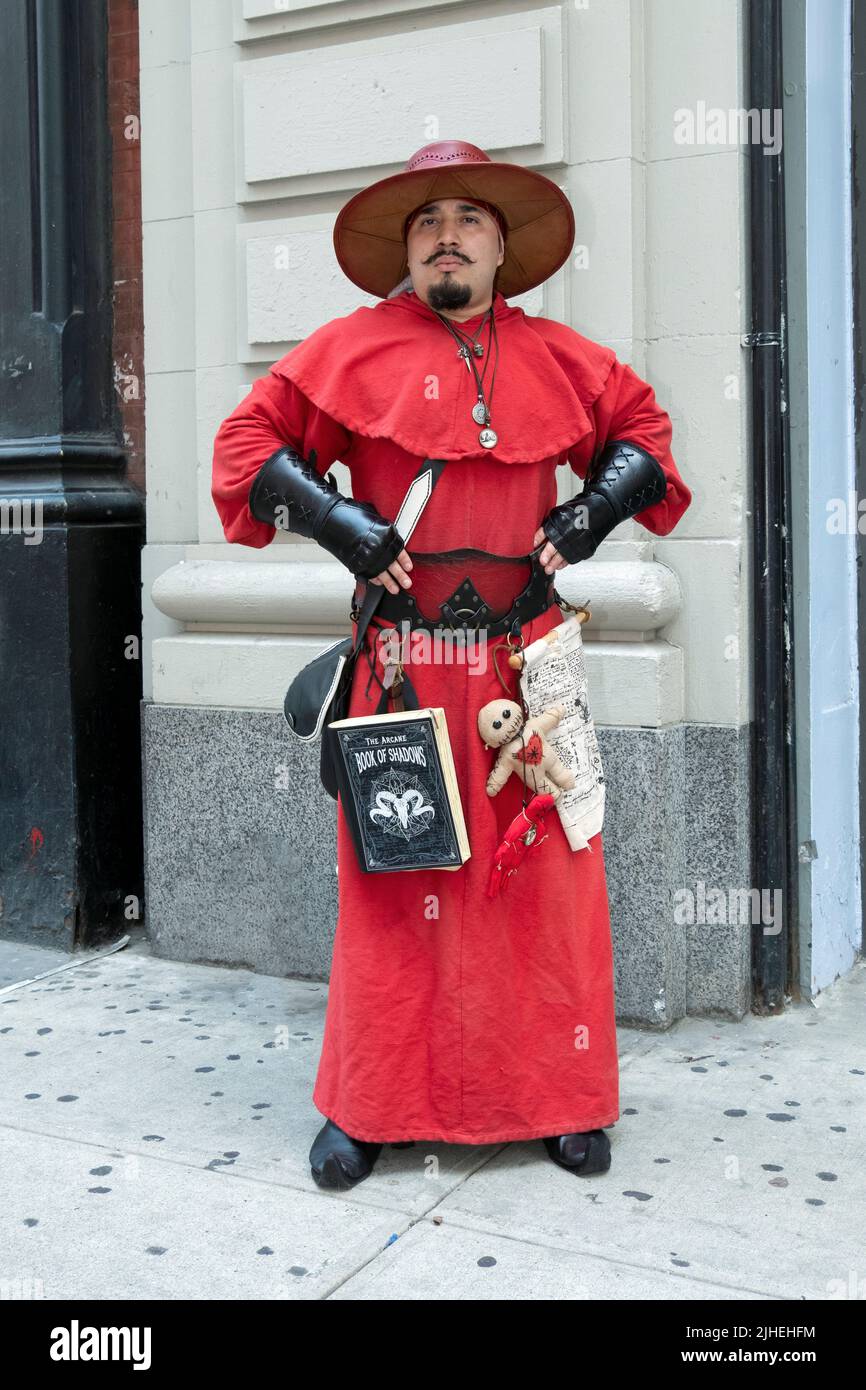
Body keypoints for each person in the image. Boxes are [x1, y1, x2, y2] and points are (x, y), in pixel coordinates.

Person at [211, 140, 692, 1190]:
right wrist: (339, 520)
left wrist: (592, 507)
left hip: (529, 666)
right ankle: (368, 1103)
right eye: (427, 223)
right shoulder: (351, 347)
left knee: (545, 887)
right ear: (408, 251)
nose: (445, 238)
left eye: (466, 219)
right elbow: (249, 449)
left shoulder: (563, 358)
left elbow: (644, 442)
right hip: (403, 667)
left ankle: (560, 1098)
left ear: (500, 247)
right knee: (396, 884)